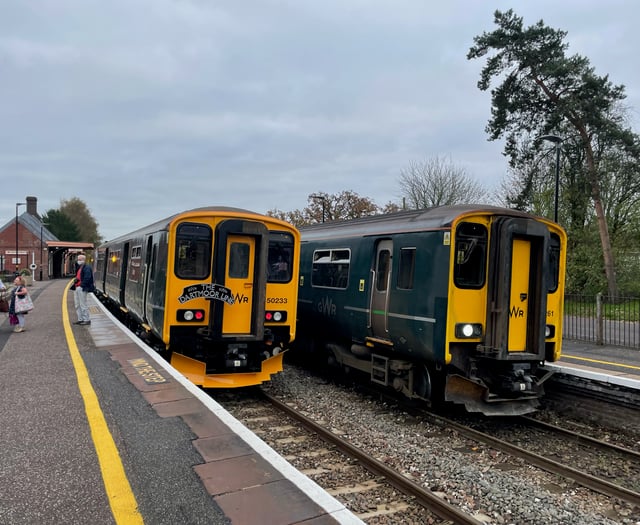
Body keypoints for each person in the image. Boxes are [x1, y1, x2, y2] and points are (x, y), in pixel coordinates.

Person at [73, 254, 95, 325]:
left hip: (81, 288)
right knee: (77, 304)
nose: (78, 261)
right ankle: (80, 319)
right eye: (78, 259)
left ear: (83, 260)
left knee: (83, 304)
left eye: (79, 259)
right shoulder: (79, 267)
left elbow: (87, 277)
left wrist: (82, 285)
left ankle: (86, 319)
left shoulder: (87, 267)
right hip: (77, 287)